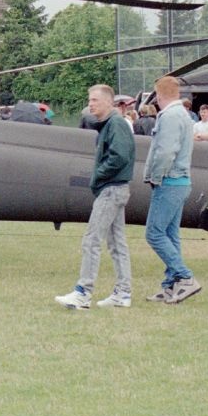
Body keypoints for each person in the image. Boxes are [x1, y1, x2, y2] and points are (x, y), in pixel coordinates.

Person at [55, 84, 135, 310]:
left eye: (95, 100)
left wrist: (97, 176)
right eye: (89, 100)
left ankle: (83, 292)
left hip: (111, 190)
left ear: (109, 102)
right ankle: (123, 292)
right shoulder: (110, 124)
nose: (90, 104)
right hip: (116, 189)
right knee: (117, 244)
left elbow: (119, 157)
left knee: (92, 240)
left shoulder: (116, 124)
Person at [143, 75, 199, 304]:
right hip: (181, 181)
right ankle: (171, 286)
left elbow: (165, 152)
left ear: (158, 94)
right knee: (170, 235)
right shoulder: (183, 115)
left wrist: (155, 177)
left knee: (154, 233)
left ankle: (185, 278)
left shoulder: (169, 116)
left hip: (169, 181)